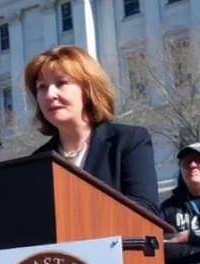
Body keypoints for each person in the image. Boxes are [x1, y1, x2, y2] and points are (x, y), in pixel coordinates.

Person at [26, 45, 160, 214]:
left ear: (88, 89)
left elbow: (147, 209)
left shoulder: (129, 141)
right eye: (42, 87)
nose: (50, 94)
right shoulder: (37, 161)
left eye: (62, 83)